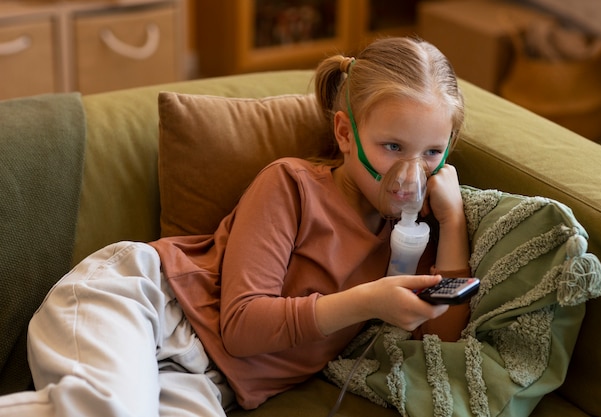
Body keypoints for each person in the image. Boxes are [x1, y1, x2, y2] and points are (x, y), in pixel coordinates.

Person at [0, 36, 470, 417]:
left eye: (430, 153)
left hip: (207, 381)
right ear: (346, 134)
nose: (411, 175)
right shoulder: (292, 186)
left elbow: (441, 338)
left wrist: (451, 221)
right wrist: (364, 301)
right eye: (392, 146)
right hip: (145, 303)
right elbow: (242, 327)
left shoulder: (417, 230)